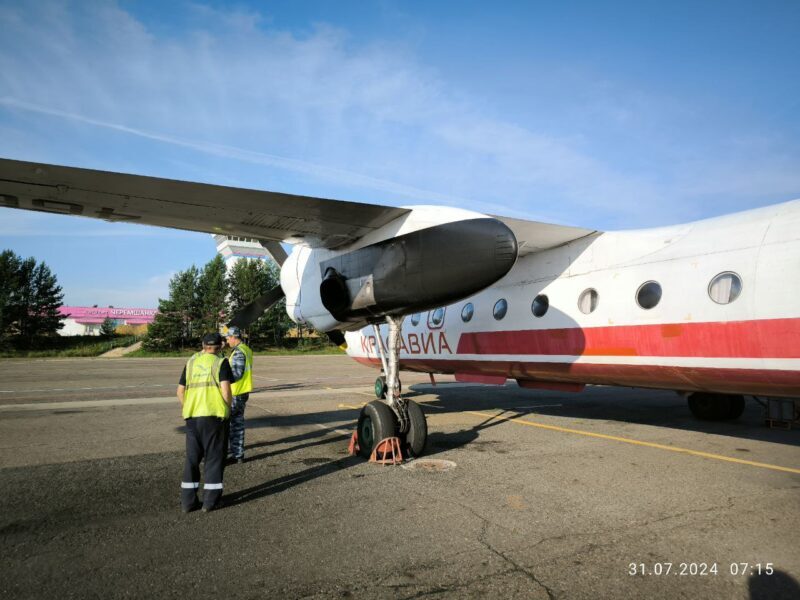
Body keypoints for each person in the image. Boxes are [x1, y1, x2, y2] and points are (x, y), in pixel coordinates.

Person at [177, 332, 233, 513]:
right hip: (214, 417)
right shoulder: (220, 362)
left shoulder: (191, 362)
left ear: (203, 345)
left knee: (192, 459)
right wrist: (226, 409)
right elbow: (226, 391)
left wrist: (189, 407)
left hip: (192, 417)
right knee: (214, 459)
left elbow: (180, 391)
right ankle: (211, 501)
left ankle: (187, 502)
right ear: (221, 346)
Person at [225, 326, 253, 463]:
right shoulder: (246, 349)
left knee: (229, 425)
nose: (227, 341)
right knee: (237, 424)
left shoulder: (238, 353)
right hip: (242, 391)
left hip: (235, 393)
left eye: (228, 338)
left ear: (233, 337)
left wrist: (222, 379)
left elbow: (236, 374)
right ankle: (238, 455)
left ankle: (233, 454)